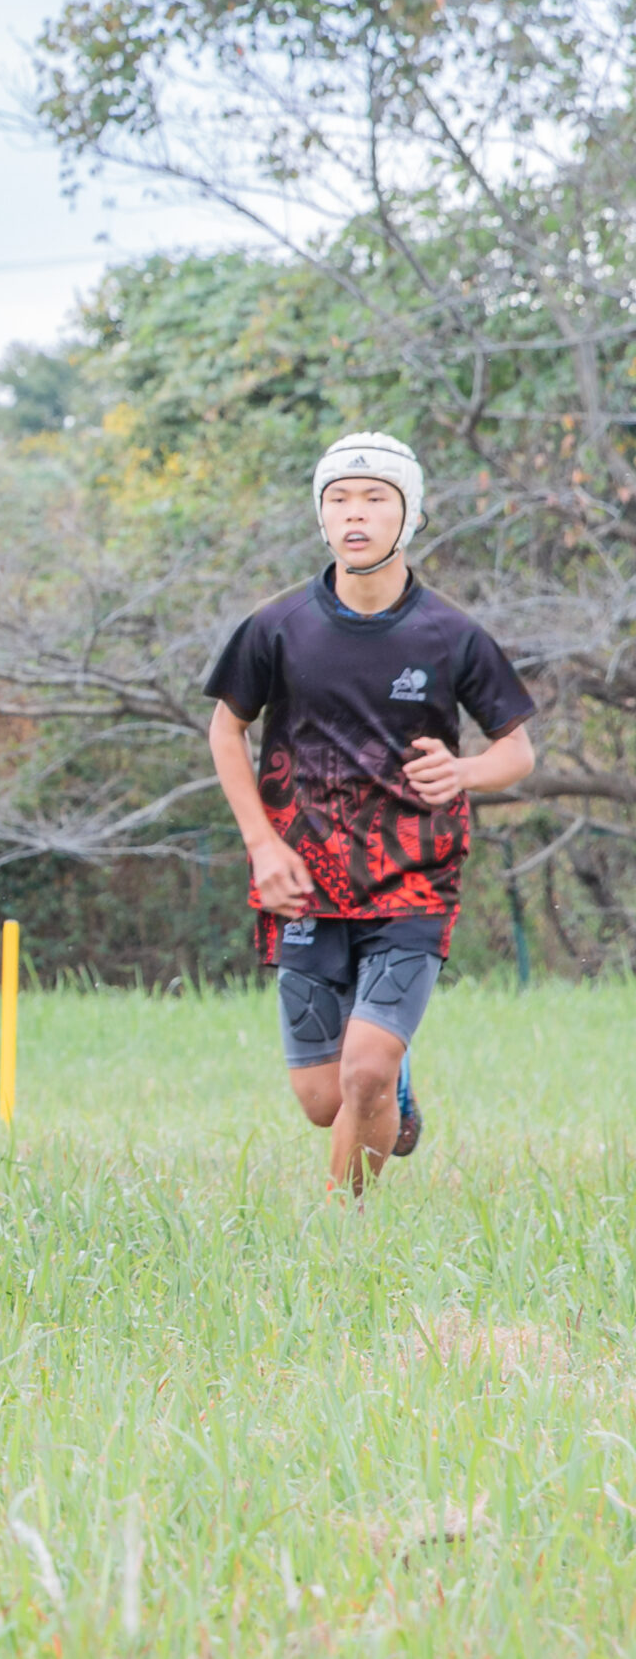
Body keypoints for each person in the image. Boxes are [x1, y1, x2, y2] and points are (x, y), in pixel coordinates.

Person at [203, 433, 535, 1195]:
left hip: (415, 882)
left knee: (364, 1075)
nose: (356, 514)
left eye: (375, 498)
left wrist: (465, 770)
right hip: (302, 880)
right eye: (340, 500)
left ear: (408, 515)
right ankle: (395, 1081)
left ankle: (342, 1230)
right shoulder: (276, 626)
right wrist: (261, 843)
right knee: (324, 1101)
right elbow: (227, 728)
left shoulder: (451, 635)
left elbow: (518, 751)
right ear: (322, 519)